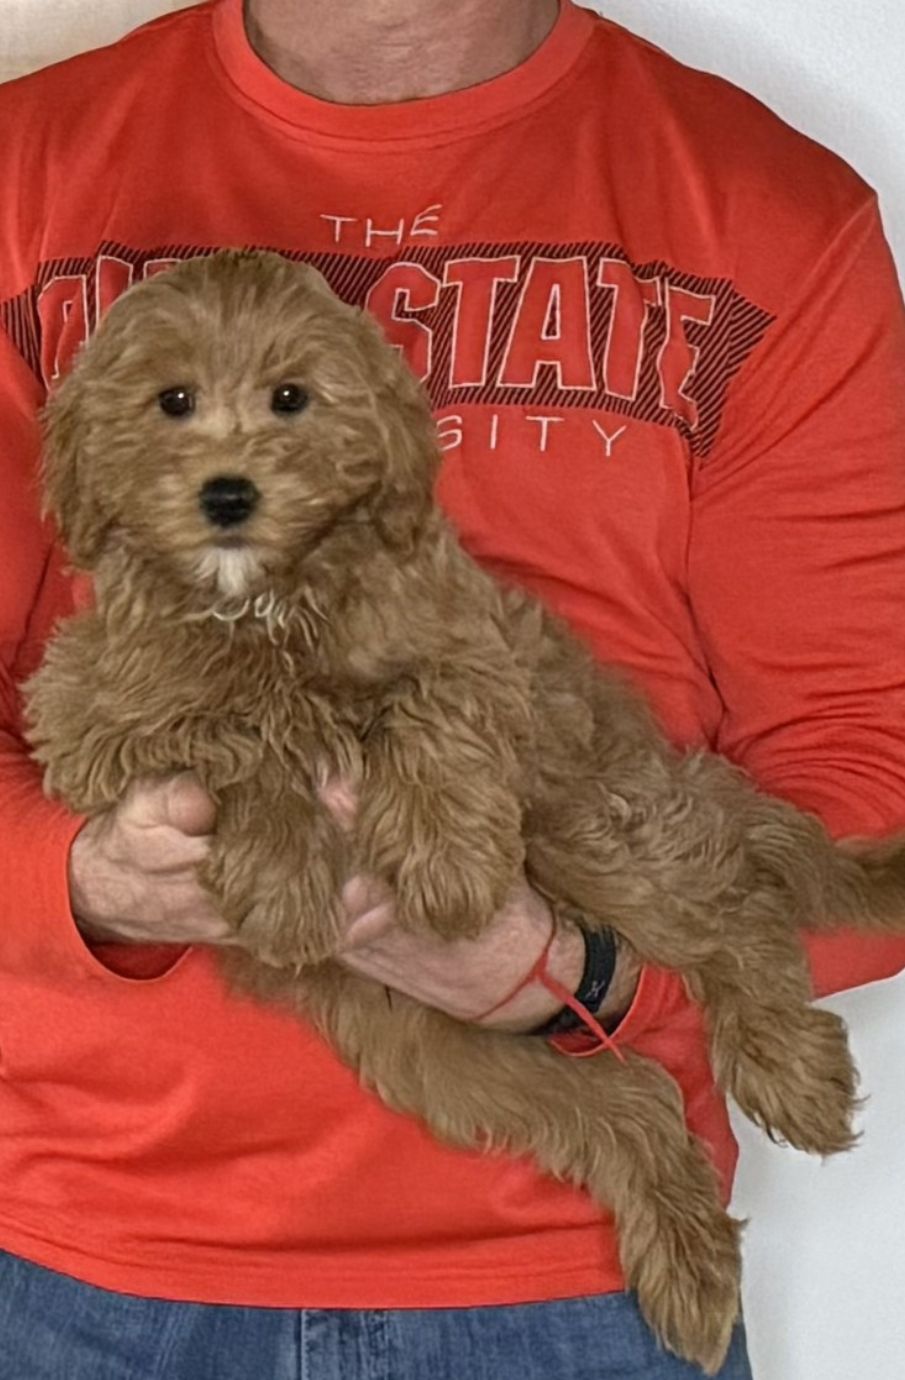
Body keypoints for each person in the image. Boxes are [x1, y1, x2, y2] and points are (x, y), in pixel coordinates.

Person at [0, 0, 903, 1375]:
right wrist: (82, 881)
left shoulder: (760, 213)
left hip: (572, 1282)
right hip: (76, 1261)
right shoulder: (24, 171)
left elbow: (869, 765)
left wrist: (573, 973)